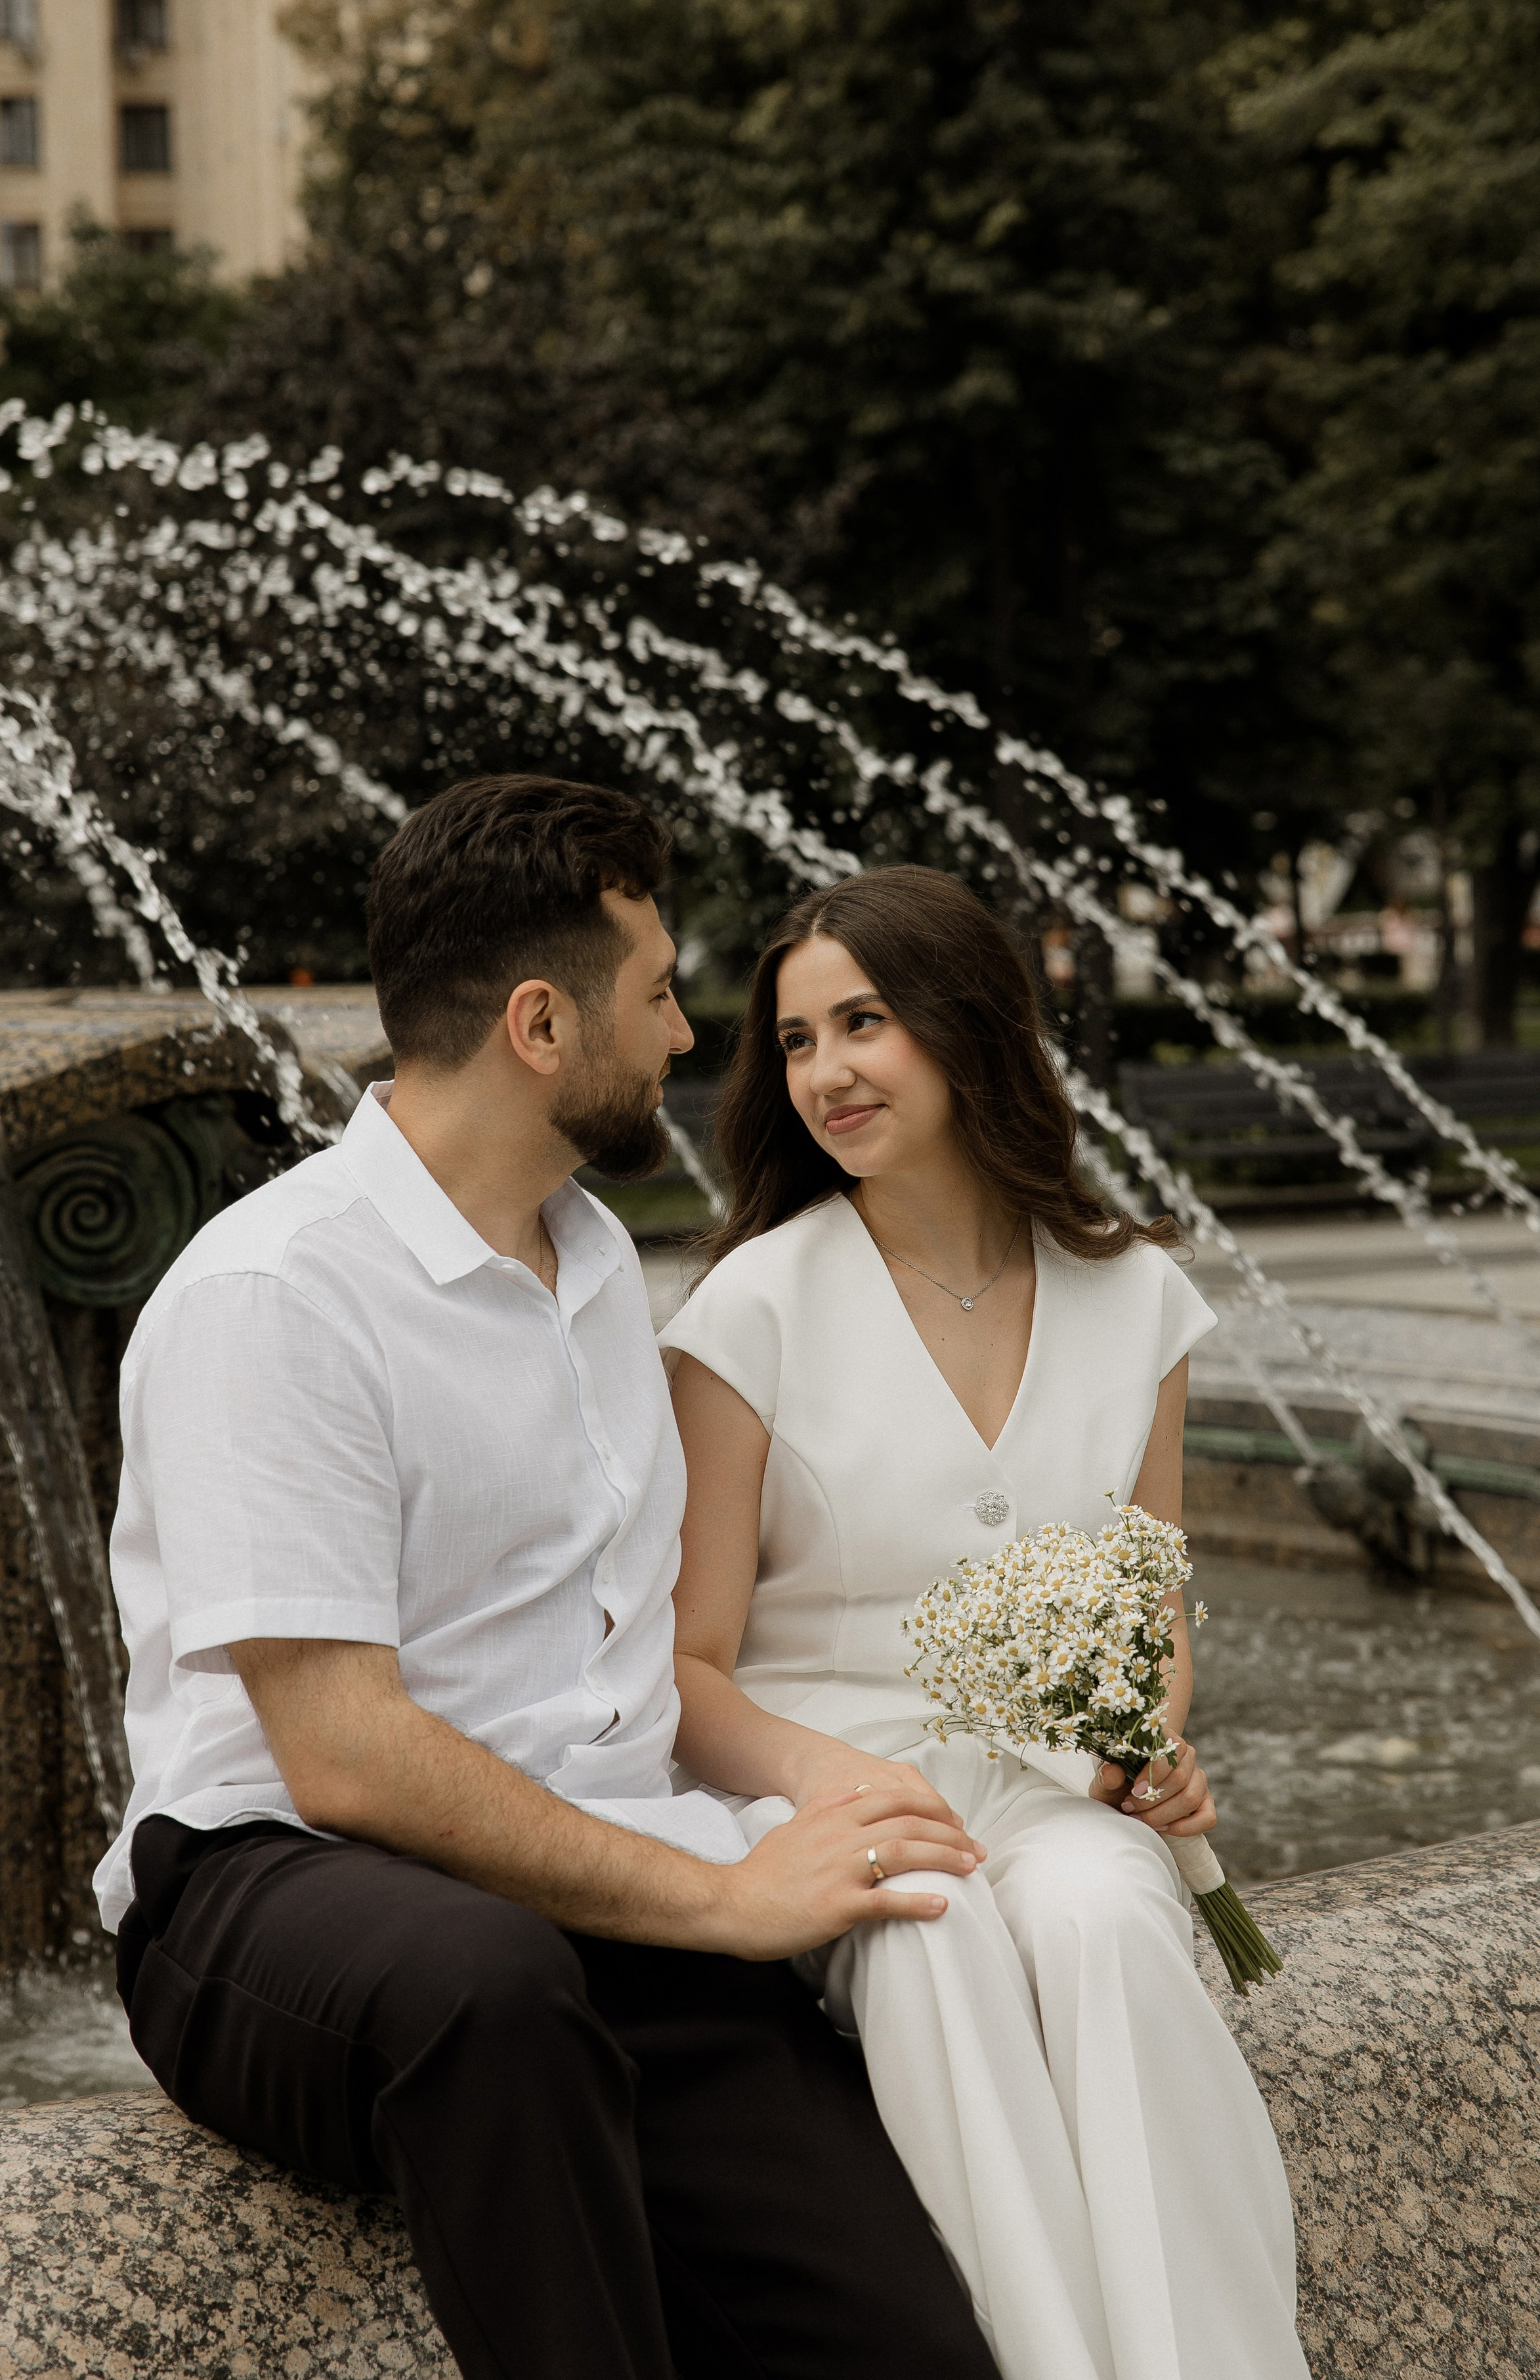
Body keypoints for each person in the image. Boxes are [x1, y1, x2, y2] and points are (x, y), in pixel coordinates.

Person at [96, 776, 1002, 2380]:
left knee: (905, 2341)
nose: (680, 1037)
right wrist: (725, 1894)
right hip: (268, 1891)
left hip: (590, 1889)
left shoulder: (594, 1264)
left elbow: (666, 1651)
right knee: (486, 1985)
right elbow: (343, 1752)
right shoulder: (273, 1294)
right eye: (655, 993)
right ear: (538, 1024)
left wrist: (813, 1794)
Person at [660, 864, 1311, 2380]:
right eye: (799, 1038)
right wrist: (833, 1790)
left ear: (966, 1028)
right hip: (831, 1792)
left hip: (1046, 1787)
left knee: (1106, 1921)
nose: (825, 1070)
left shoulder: (1134, 1299)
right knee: (933, 1933)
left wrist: (1149, 1751)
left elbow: (1147, 1600)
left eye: (864, 1023)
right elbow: (681, 1668)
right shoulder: (747, 1313)